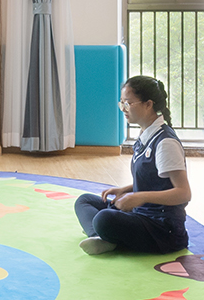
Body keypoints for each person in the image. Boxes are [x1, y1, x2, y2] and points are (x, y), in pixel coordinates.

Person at [74, 76, 192, 255]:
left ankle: (104, 236)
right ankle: (101, 238)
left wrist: (139, 196)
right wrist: (127, 189)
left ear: (148, 104)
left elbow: (183, 193)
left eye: (128, 103)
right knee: (84, 201)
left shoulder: (165, 143)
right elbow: (157, 181)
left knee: (104, 219)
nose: (123, 109)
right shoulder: (146, 134)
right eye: (121, 103)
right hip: (140, 212)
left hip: (162, 229)